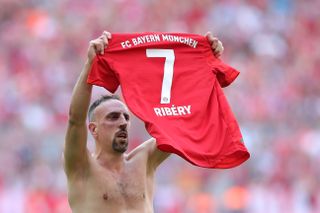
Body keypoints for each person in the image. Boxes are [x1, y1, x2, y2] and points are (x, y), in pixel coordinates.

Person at [63, 31, 224, 213]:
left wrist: (205, 66)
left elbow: (186, 119)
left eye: (126, 117)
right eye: (113, 117)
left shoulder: (144, 159)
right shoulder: (82, 167)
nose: (123, 122)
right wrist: (90, 64)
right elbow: (75, 119)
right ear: (93, 129)